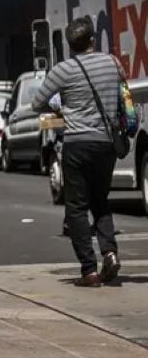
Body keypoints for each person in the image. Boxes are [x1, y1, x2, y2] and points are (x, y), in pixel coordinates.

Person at [32, 17, 126, 286]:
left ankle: (89, 270)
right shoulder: (113, 63)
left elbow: (37, 103)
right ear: (93, 40)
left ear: (70, 45)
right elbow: (122, 96)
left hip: (77, 143)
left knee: (76, 207)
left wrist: (62, 108)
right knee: (101, 201)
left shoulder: (63, 70)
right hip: (106, 143)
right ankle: (109, 252)